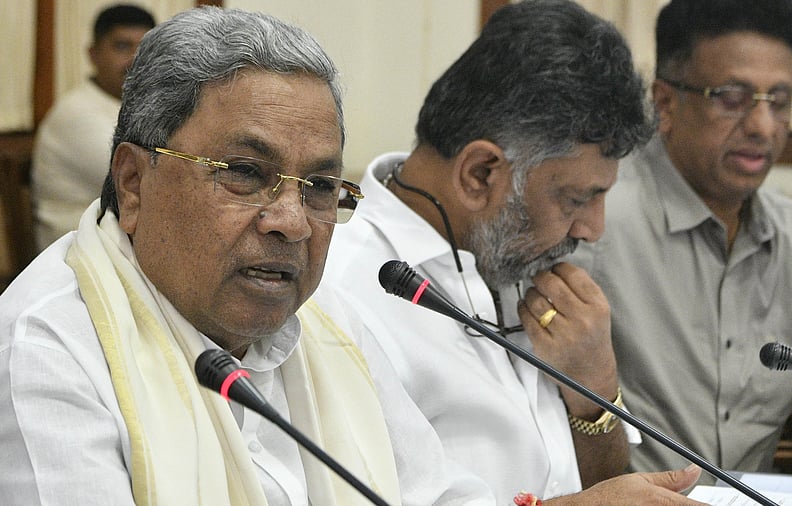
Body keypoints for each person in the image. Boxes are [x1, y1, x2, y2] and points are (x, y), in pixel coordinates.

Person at [0, 5, 704, 506]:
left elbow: (436, 497)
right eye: (244, 172)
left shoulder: (329, 324)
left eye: (315, 187)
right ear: (134, 182)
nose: (291, 223)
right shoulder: (47, 350)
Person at [321, 0, 702, 503]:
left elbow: (602, 488)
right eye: (575, 198)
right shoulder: (339, 297)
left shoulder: (513, 256)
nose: (592, 229)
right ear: (481, 174)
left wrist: (595, 389)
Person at [567, 0, 792, 479]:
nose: (764, 127)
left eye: (780, 101)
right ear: (665, 103)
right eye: (731, 97)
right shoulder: (592, 217)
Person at [31, 4, 155, 250]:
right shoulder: (76, 113)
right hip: (73, 254)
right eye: (122, 46)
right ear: (93, 54)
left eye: (145, 49)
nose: (134, 59)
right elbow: (147, 182)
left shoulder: (135, 105)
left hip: (116, 242)